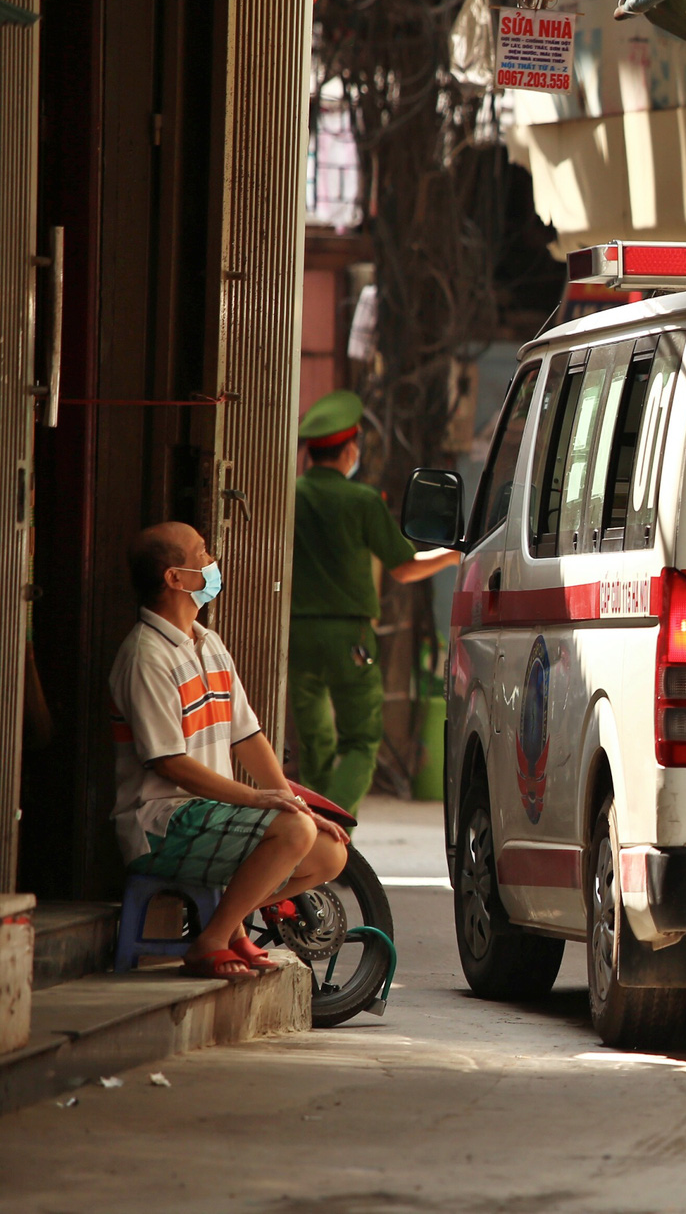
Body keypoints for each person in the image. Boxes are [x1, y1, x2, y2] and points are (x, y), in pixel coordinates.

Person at [111, 522, 350, 981]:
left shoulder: (209, 643)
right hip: (160, 823)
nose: (212, 561)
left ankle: (229, 923)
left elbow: (248, 736)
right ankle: (212, 941)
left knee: (328, 852)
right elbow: (168, 762)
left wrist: (292, 800)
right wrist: (261, 800)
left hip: (208, 815)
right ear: (175, 578)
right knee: (293, 831)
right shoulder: (146, 655)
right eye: (202, 553)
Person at [291, 391, 460, 813]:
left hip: (296, 635)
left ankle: (306, 826)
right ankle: (331, 827)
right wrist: (456, 553)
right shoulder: (362, 500)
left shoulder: (289, 494)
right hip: (349, 636)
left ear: (310, 452)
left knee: (314, 741)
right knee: (362, 741)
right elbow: (404, 567)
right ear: (350, 449)